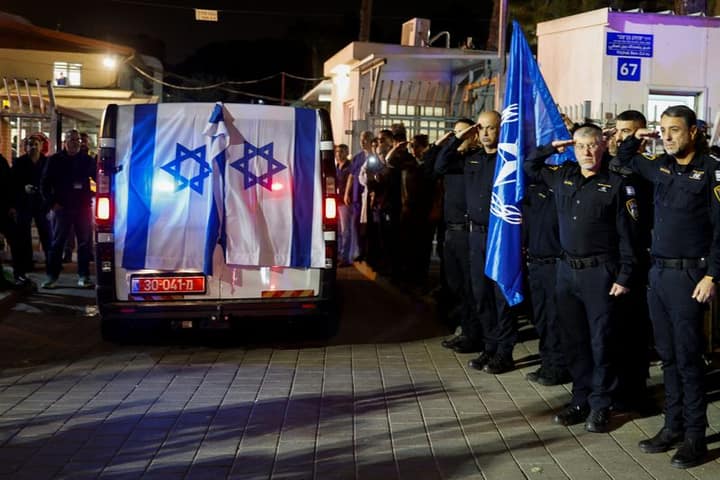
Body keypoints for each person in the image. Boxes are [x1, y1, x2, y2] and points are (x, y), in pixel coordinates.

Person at [615, 105, 718, 469]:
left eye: (674, 129)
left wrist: (713, 276)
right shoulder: (660, 166)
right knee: (668, 357)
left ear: (693, 132)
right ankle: (672, 426)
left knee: (688, 360)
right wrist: (637, 136)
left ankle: (695, 437)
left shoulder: (711, 170)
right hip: (658, 275)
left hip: (690, 278)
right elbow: (622, 159)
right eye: (663, 129)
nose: (667, 136)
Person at [525, 123, 638, 433]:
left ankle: (601, 405)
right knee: (574, 340)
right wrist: (551, 147)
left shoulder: (617, 183)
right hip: (567, 271)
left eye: (592, 145)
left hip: (600, 273)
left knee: (602, 342)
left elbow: (628, 235)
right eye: (580, 146)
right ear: (572, 149)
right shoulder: (563, 175)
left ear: (603, 146)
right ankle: (580, 399)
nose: (587, 151)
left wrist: (625, 275)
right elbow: (529, 166)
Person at [606, 110, 655, 412]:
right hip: (610, 259)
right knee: (611, 330)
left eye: (629, 132)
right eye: (618, 131)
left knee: (635, 330)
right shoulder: (608, 165)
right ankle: (613, 388)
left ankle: (636, 392)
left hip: (638, 260)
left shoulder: (648, 169)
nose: (620, 137)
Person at [435, 118, 479, 353]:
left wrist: (459, 140)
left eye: (463, 133)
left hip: (466, 232)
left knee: (469, 287)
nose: (458, 137)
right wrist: (451, 140)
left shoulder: (473, 160)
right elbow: (436, 165)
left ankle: (472, 334)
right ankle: (464, 328)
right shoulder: (453, 160)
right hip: (450, 232)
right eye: (455, 133)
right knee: (455, 285)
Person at [523, 180, 571, 386]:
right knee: (541, 318)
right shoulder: (533, 191)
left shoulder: (562, 191)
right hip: (535, 263)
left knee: (554, 319)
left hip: (554, 264)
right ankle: (547, 361)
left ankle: (559, 367)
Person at [41, 129, 96, 289]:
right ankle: (52, 276)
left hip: (82, 207)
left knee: (84, 243)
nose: (75, 143)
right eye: (72, 140)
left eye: (77, 140)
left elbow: (98, 177)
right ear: (65, 142)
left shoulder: (86, 160)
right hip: (62, 207)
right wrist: (52, 203)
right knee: (57, 243)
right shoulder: (55, 160)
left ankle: (84, 276)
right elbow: (45, 183)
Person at [12, 135, 50, 279]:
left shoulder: (46, 162)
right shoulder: (19, 162)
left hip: (42, 203)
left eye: (36, 144)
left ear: (41, 146)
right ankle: (26, 262)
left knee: (46, 233)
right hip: (24, 202)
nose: (33, 147)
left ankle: (51, 262)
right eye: (30, 144)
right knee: (23, 234)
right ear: (25, 147)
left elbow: (51, 182)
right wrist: (23, 188)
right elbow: (13, 182)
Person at [348, 131, 374, 263]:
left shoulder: (374, 157)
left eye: (366, 139)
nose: (363, 142)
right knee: (356, 224)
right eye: (361, 139)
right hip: (357, 196)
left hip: (369, 197)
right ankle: (360, 250)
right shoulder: (357, 157)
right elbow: (351, 176)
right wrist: (347, 193)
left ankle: (369, 252)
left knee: (369, 226)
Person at [0, 152, 24, 290]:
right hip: (4, 208)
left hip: (4, 209)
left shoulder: (1, 161)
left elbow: (10, 184)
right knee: (15, 241)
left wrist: (12, 205)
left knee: (16, 241)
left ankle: (19, 274)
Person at [335, 144, 352, 266]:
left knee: (345, 230)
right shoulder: (336, 166)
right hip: (335, 202)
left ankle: (345, 257)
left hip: (344, 202)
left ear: (346, 153)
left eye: (341, 152)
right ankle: (338, 254)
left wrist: (347, 194)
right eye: (337, 152)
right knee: (338, 230)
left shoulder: (349, 167)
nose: (338, 154)